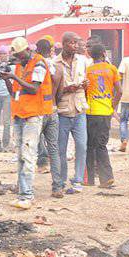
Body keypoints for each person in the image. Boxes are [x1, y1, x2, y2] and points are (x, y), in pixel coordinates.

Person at [0, 37, 53, 209]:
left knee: (28, 155)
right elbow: (14, 93)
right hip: (20, 114)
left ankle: (27, 196)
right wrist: (6, 79)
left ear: (28, 50)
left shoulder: (39, 63)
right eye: (17, 56)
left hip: (34, 115)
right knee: (20, 155)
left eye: (20, 55)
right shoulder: (21, 66)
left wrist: (13, 75)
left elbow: (34, 88)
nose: (18, 58)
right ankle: (23, 193)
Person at [54, 31, 89, 193]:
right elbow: (53, 90)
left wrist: (85, 85)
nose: (76, 46)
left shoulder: (82, 61)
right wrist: (67, 88)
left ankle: (78, 180)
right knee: (61, 149)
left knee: (82, 146)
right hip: (62, 111)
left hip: (80, 109)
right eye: (72, 43)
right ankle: (60, 181)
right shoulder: (55, 63)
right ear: (64, 43)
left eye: (77, 43)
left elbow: (87, 82)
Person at [85, 43, 122, 188]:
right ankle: (106, 178)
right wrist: (112, 106)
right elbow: (119, 91)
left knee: (89, 145)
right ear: (104, 54)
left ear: (91, 56)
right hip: (105, 112)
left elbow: (85, 91)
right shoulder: (112, 69)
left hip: (91, 112)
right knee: (101, 145)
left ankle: (88, 179)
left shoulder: (88, 70)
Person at [35, 37, 63, 198]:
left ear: (38, 49)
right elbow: (60, 90)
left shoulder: (36, 65)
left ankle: (24, 187)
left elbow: (33, 88)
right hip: (53, 109)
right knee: (54, 149)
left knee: (31, 146)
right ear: (51, 49)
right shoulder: (57, 68)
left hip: (39, 110)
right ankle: (57, 187)